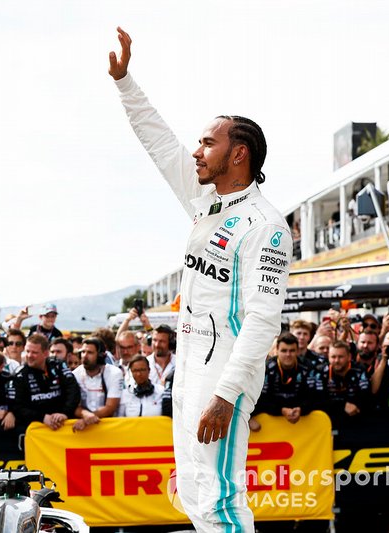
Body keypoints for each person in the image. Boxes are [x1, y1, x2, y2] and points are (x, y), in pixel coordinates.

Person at [109, 26, 292, 531]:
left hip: (224, 368)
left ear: (239, 155)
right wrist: (126, 82)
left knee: (220, 498)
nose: (196, 151)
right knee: (191, 488)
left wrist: (227, 393)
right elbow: (161, 143)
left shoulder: (266, 226)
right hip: (190, 361)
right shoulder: (206, 201)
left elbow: (263, 319)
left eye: (208, 142)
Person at [9, 333, 80, 432]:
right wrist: (42, 417)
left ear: (45, 353)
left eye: (34, 352)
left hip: (64, 423)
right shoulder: (19, 374)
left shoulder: (58, 365)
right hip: (36, 429)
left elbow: (73, 390)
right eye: (27, 351)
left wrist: (65, 413)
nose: (29, 356)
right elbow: (16, 406)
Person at [256, 333, 320, 423]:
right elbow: (260, 399)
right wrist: (281, 410)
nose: (288, 354)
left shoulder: (309, 368)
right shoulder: (266, 369)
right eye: (284, 350)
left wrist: (302, 409)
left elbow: (316, 397)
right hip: (271, 424)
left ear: (297, 351)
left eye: (292, 350)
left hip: (303, 422)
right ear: (277, 350)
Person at [72, 337, 124, 430]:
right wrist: (85, 415)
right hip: (83, 427)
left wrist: (87, 419)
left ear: (101, 356)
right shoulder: (75, 374)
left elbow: (110, 407)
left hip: (110, 426)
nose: (85, 356)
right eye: (83, 352)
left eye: (90, 352)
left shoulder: (114, 373)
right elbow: (73, 405)